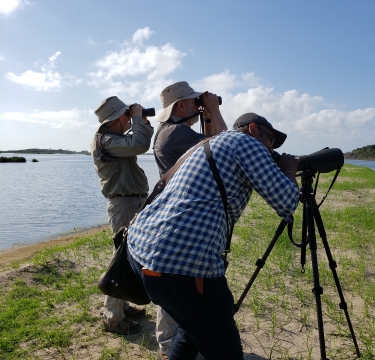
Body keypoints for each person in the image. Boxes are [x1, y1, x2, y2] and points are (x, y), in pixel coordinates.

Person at [127, 112, 300, 359]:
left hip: (142, 249)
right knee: (226, 351)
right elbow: (287, 201)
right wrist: (289, 170)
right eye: (270, 140)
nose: (271, 149)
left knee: (194, 326)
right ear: (253, 129)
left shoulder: (209, 142)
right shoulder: (248, 143)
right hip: (180, 264)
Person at [152, 81, 227, 359]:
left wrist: (207, 113)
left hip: (178, 214)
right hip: (178, 217)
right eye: (194, 101)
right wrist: (214, 110)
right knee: (177, 282)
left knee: (179, 281)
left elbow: (208, 147)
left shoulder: (172, 131)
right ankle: (170, 345)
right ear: (180, 106)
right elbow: (220, 146)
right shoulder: (174, 134)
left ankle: (176, 342)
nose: (198, 105)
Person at [90, 96, 154, 335]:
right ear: (116, 118)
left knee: (126, 258)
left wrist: (140, 120)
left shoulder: (114, 139)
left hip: (130, 203)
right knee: (121, 261)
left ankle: (122, 306)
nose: (129, 118)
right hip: (124, 205)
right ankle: (112, 318)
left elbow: (140, 139)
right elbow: (140, 144)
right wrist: (137, 119)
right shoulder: (106, 140)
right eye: (126, 115)